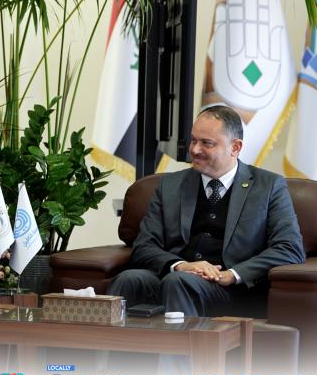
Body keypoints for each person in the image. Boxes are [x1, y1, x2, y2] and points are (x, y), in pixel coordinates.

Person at [107, 105, 305, 317]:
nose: (194, 150)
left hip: (231, 290)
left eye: (206, 143)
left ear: (235, 147)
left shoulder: (268, 187)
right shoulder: (170, 185)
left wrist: (233, 274)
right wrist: (182, 265)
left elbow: (290, 248)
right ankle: (104, 340)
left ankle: (186, 340)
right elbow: (144, 246)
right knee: (129, 279)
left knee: (178, 282)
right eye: (193, 140)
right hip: (177, 277)